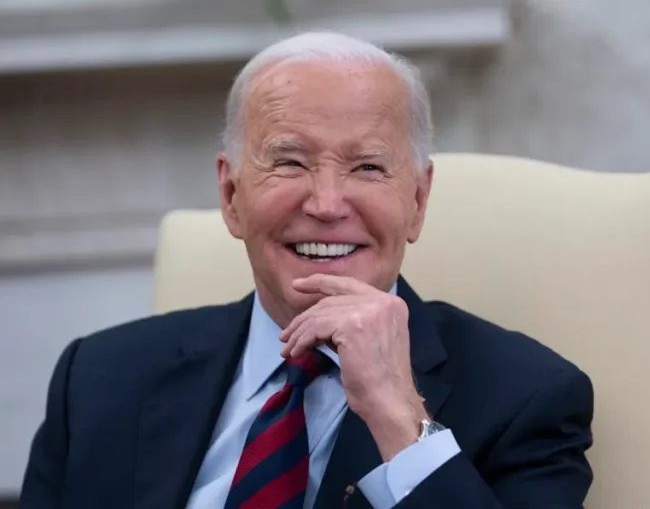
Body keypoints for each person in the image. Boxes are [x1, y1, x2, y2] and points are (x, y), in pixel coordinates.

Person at [20, 32, 593, 509]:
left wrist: (400, 419)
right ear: (230, 194)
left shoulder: (527, 397)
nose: (326, 203)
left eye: (367, 167)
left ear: (417, 201)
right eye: (289, 162)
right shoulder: (97, 381)